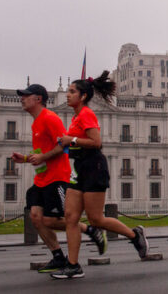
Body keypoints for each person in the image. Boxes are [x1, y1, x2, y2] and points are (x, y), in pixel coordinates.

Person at [51, 72, 149, 279]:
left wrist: (72, 140)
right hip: (79, 169)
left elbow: (96, 142)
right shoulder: (77, 116)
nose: (67, 95)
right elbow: (73, 143)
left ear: (83, 96)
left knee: (95, 218)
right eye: (67, 91)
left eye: (71, 92)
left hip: (94, 166)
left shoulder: (87, 114)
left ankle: (134, 235)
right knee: (70, 217)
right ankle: (73, 265)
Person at [13, 84, 107, 273]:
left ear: (38, 99)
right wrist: (25, 158)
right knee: (36, 217)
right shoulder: (36, 122)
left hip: (57, 177)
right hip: (42, 178)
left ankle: (90, 231)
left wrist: (42, 157)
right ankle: (58, 256)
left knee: (52, 220)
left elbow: (63, 146)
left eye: (26, 95)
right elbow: (42, 151)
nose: (22, 99)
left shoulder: (50, 118)